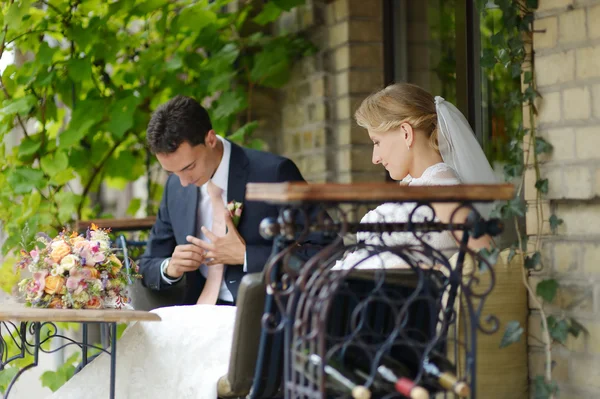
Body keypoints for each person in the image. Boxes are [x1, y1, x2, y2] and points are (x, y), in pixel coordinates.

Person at [47, 84, 497, 399]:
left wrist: (246, 254)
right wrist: (171, 267)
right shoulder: (418, 188)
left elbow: (475, 252)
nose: (375, 155)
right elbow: (150, 260)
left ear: (404, 132)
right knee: (158, 336)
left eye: (377, 141)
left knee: (184, 338)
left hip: (337, 312)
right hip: (328, 305)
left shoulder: (438, 188)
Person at [138, 95, 316, 306]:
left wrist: (248, 256)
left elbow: (323, 249)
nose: (183, 182)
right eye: (173, 172)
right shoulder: (174, 187)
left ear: (210, 139)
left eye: (188, 167)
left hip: (260, 314)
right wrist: (170, 267)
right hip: (195, 311)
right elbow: (147, 264)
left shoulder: (274, 173)